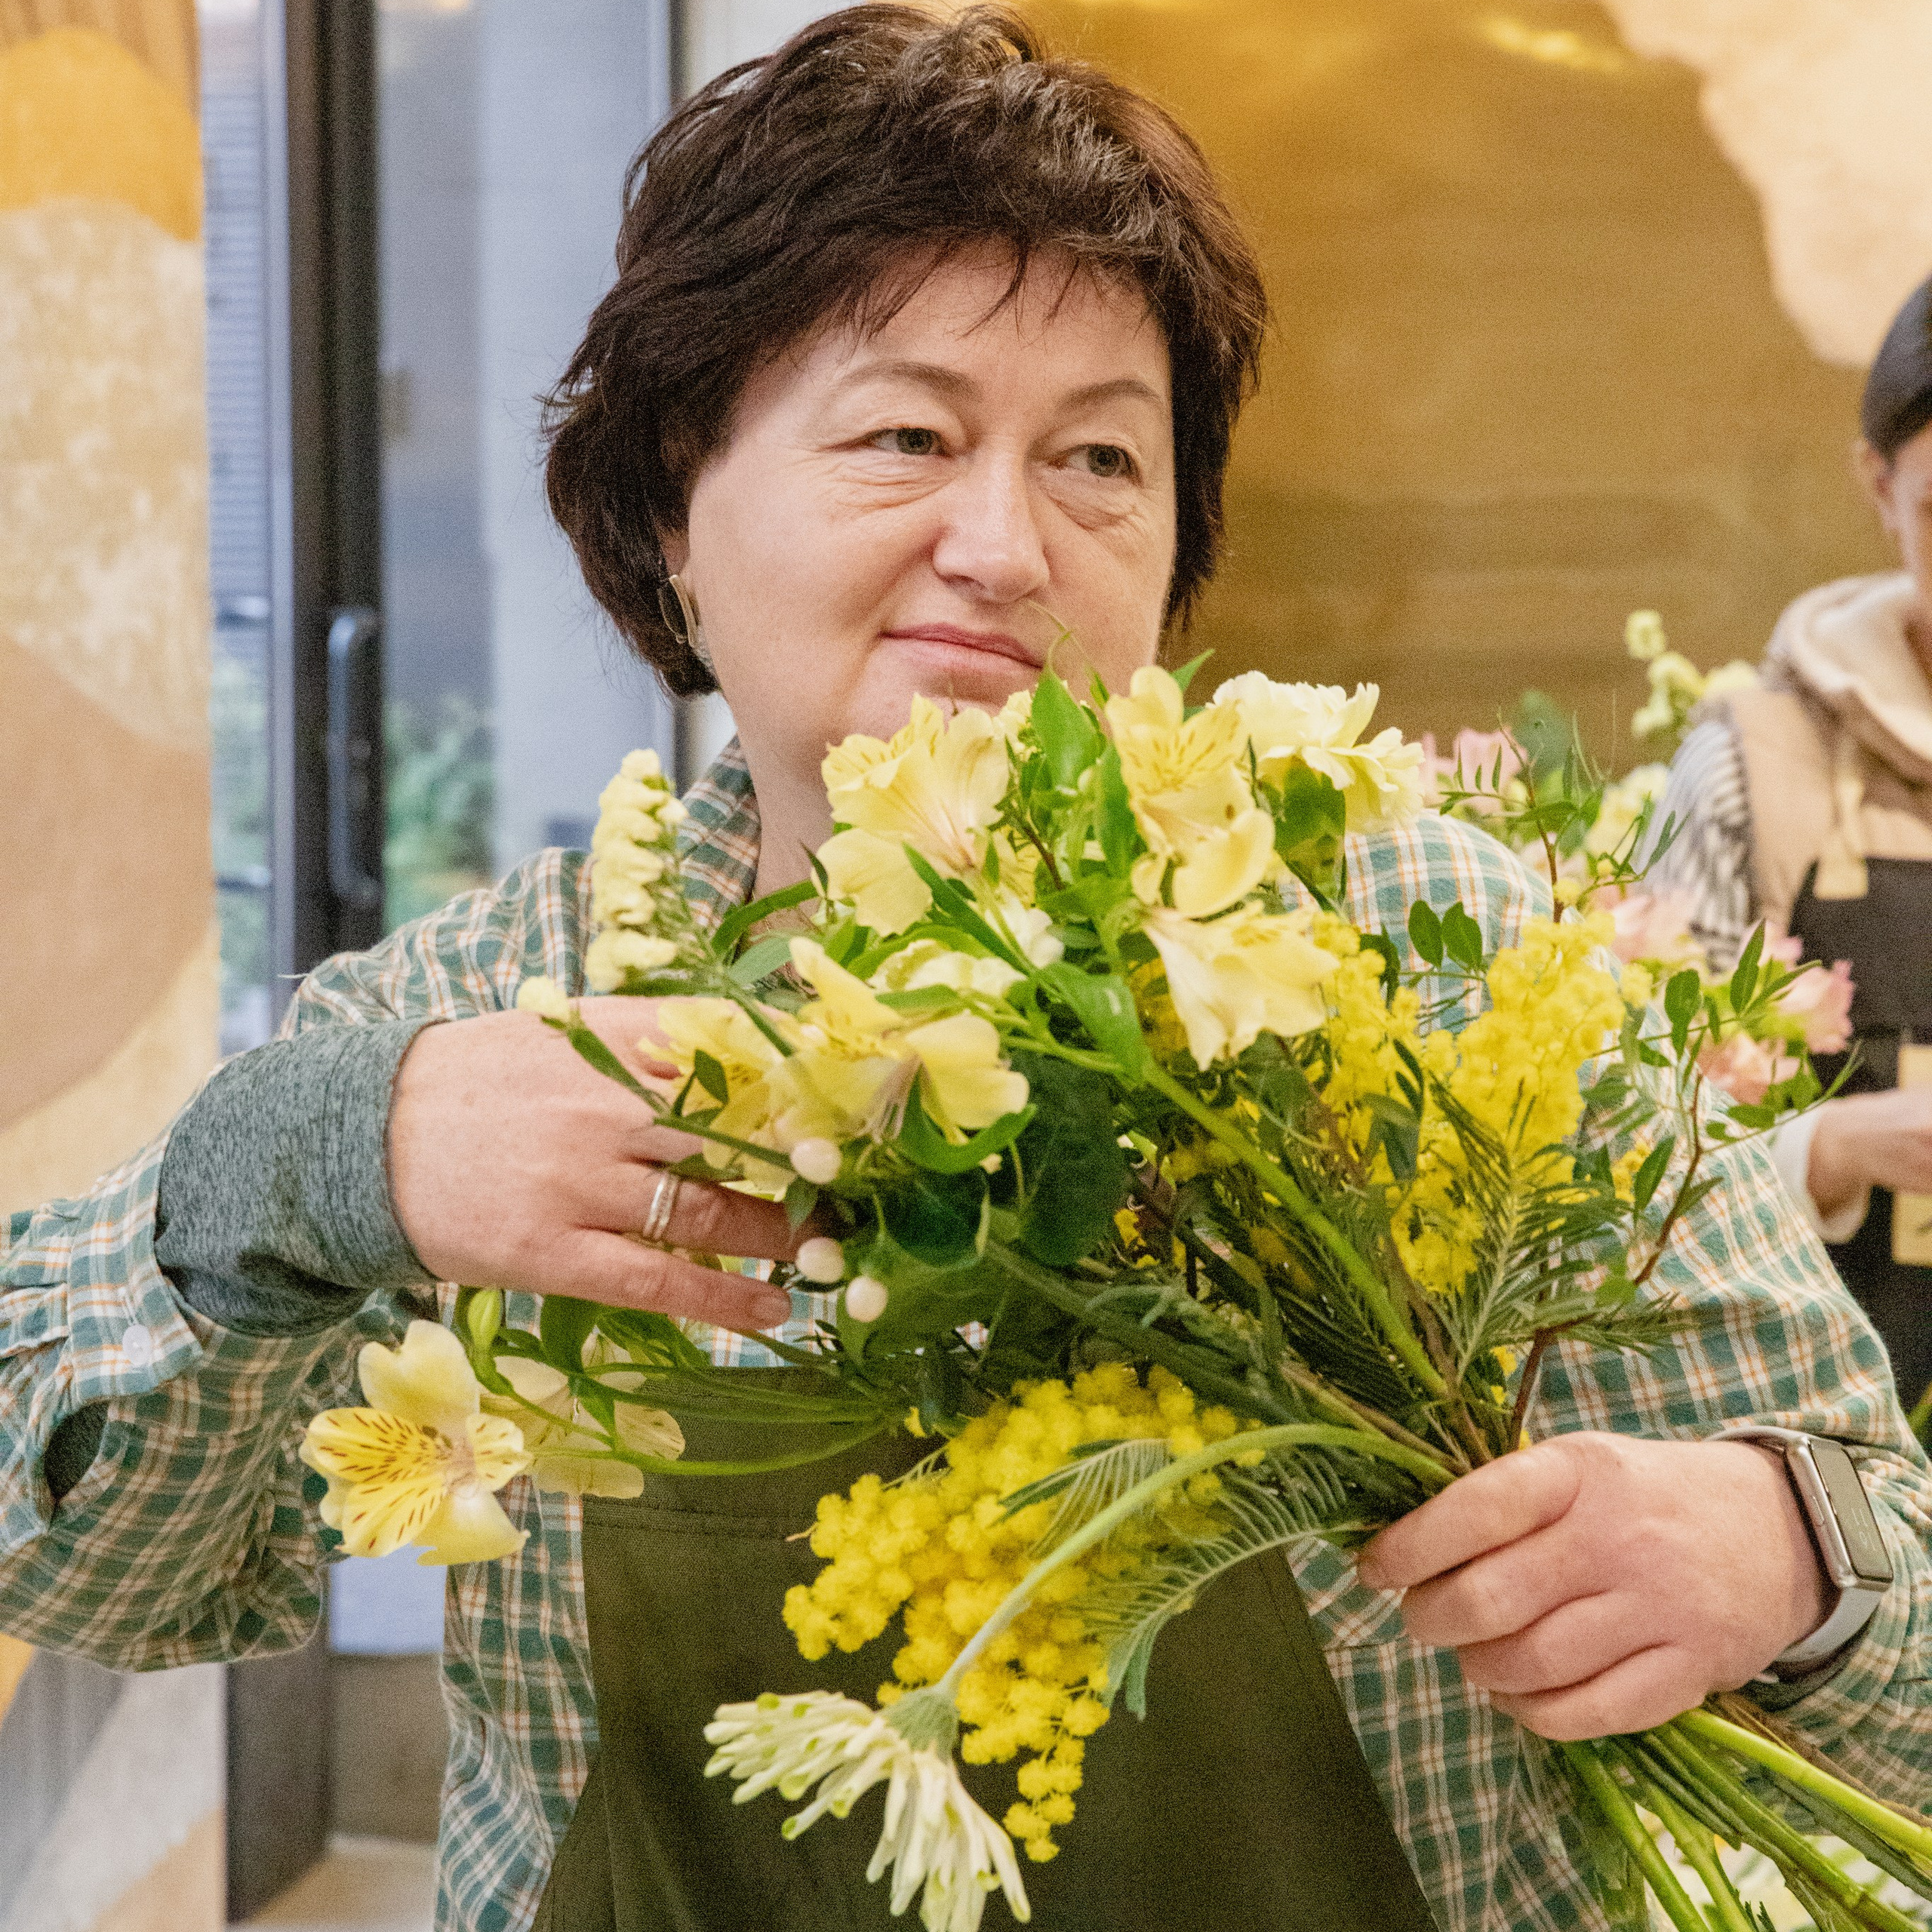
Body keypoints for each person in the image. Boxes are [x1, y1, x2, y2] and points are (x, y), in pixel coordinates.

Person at [2, 12, 1927, 1931]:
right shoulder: (502, 1015)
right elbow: (81, 1557)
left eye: (1099, 456)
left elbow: (1892, 1586)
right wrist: (320, 1160)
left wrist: (1786, 1554)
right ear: (677, 504)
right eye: (906, 434)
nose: (1002, 544)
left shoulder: (1411, 950)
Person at [1652, 273, 1932, 1407]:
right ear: (1878, 483)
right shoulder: (1752, 765)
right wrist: (1834, 1150)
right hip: (1834, 1464)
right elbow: (1639, 1162)